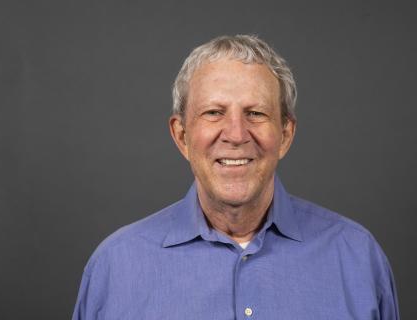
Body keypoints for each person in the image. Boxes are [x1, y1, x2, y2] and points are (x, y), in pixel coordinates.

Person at [72, 35, 400, 319]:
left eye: (255, 113)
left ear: (285, 134)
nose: (236, 134)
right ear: (181, 135)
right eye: (214, 113)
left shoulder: (357, 258)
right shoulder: (115, 267)